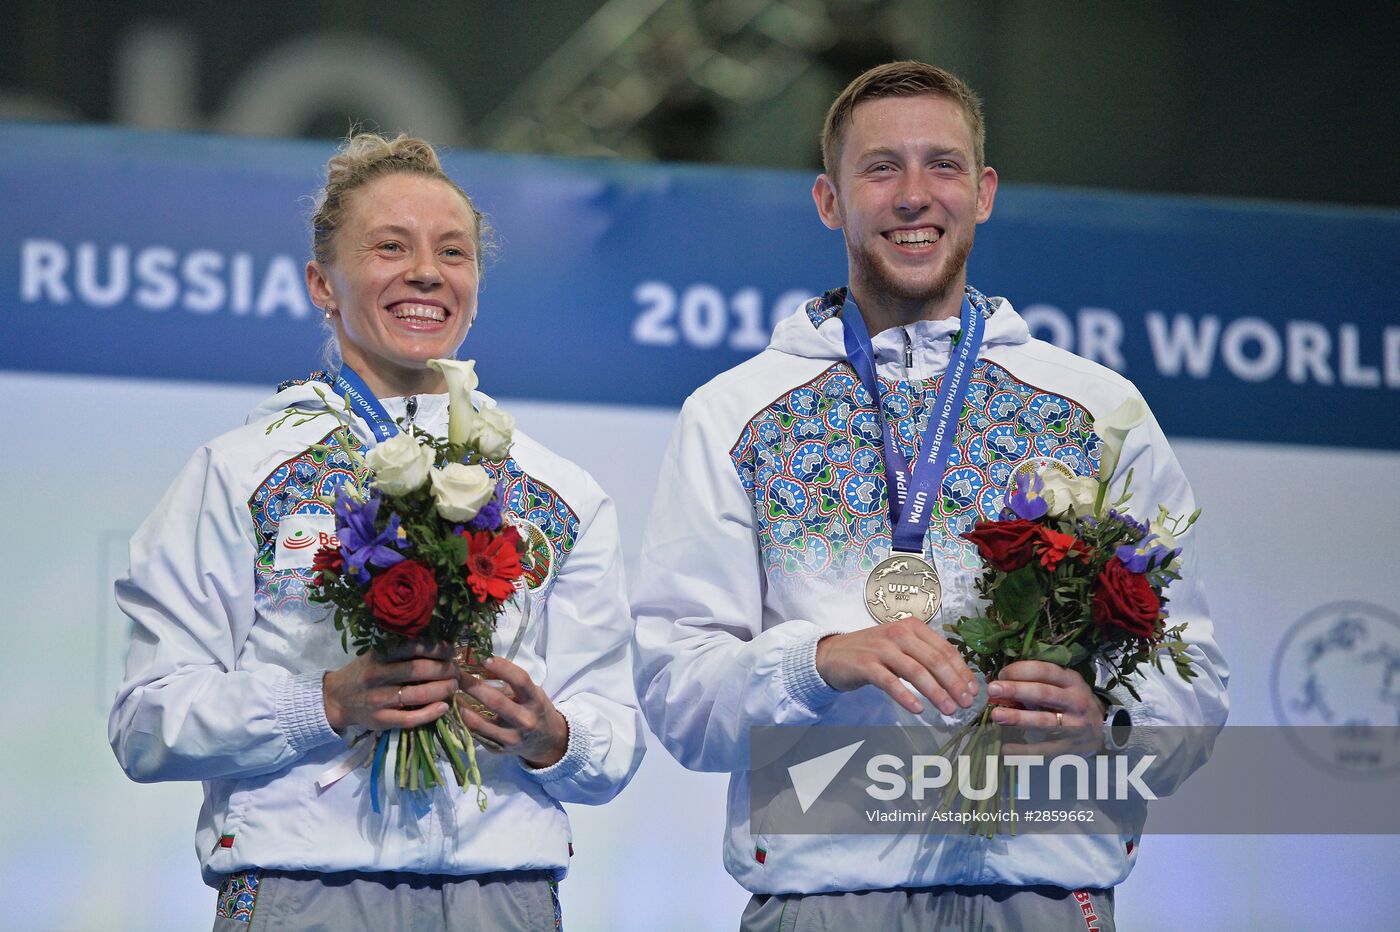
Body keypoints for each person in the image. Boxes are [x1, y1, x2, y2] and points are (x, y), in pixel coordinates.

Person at [631, 61, 1228, 930]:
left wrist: (1108, 723)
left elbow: (1196, 681)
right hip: (823, 895)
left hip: (1047, 889)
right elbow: (680, 698)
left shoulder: (1098, 411)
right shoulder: (733, 415)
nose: (915, 195)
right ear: (829, 201)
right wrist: (815, 660)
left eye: (942, 166)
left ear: (983, 192)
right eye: (881, 169)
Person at [110, 132, 645, 931]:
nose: (427, 272)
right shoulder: (239, 473)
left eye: (453, 252)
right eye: (390, 247)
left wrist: (550, 734)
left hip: (504, 894)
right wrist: (320, 703)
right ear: (322, 284)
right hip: (303, 890)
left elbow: (616, 735)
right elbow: (145, 722)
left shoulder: (557, 492)